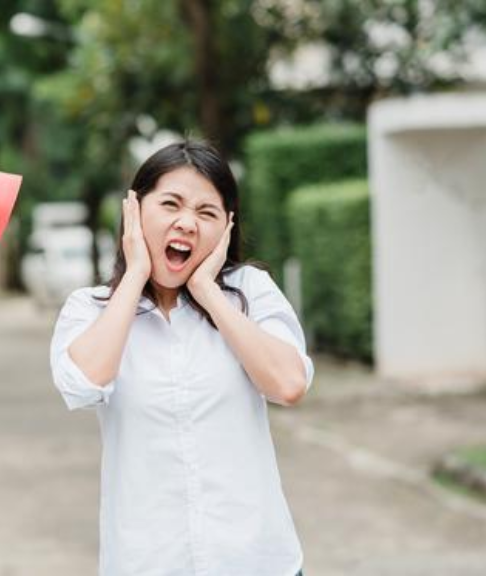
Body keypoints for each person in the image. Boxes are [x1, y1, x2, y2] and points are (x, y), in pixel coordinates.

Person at [50, 141, 312, 576]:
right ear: (134, 211)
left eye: (207, 213)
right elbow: (82, 383)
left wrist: (208, 292)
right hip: (147, 562)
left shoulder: (252, 291)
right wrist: (135, 273)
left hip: (257, 561)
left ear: (227, 226)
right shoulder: (92, 308)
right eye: (170, 204)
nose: (187, 223)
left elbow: (288, 384)